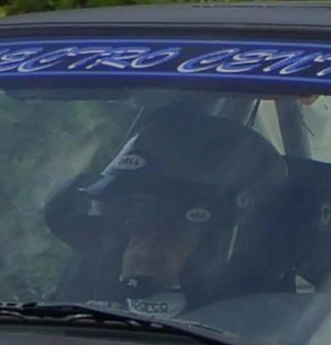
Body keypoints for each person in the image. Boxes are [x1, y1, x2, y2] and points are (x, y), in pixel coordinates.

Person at [46, 110, 284, 315]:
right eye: (137, 233)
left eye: (172, 238)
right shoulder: (77, 321)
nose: (146, 253)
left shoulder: (275, 341)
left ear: (220, 251)